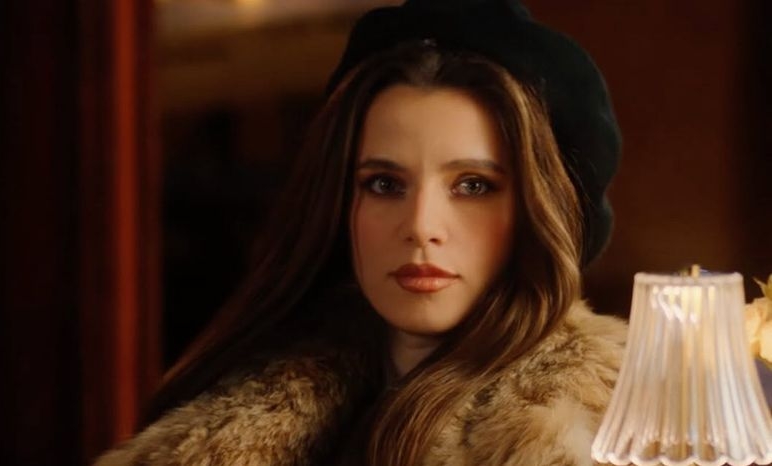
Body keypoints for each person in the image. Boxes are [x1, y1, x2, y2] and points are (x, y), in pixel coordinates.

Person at [95, 0, 626, 465]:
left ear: (536, 211)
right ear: (340, 203)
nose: (420, 227)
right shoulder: (237, 398)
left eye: (472, 185)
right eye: (384, 184)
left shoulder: (609, 434)